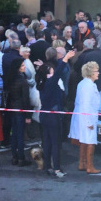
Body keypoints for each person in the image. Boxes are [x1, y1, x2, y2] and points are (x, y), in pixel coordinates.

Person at [40, 48, 73, 177]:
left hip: (45, 115)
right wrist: (65, 60)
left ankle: (47, 166)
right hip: (53, 116)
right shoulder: (51, 83)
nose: (54, 73)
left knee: (47, 142)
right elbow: (59, 73)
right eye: (51, 71)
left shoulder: (42, 83)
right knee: (55, 143)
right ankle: (57, 168)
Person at [70, 61, 101, 174]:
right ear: (90, 73)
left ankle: (82, 163)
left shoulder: (82, 83)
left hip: (80, 116)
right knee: (90, 142)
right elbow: (86, 103)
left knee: (83, 140)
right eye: (96, 71)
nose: (98, 73)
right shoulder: (89, 86)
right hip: (87, 116)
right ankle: (89, 166)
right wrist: (89, 121)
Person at [4, 57, 33, 166]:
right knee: (20, 134)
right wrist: (28, 114)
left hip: (12, 109)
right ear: (17, 68)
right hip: (20, 110)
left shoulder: (10, 79)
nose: (24, 67)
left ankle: (14, 157)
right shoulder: (22, 81)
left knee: (14, 133)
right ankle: (21, 157)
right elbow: (26, 99)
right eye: (22, 65)